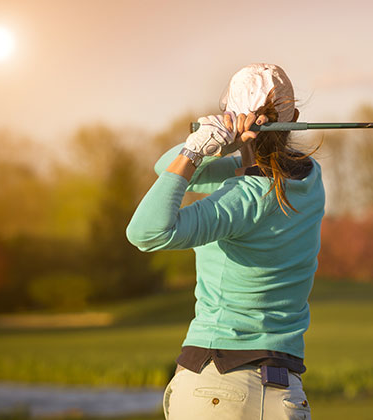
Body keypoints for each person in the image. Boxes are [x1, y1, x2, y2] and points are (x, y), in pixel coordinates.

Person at [126, 63, 323, 420]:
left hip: (219, 383)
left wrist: (196, 149)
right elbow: (163, 167)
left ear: (229, 113)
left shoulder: (244, 198)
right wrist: (225, 146)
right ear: (292, 116)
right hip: (287, 395)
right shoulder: (310, 179)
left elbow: (145, 231)